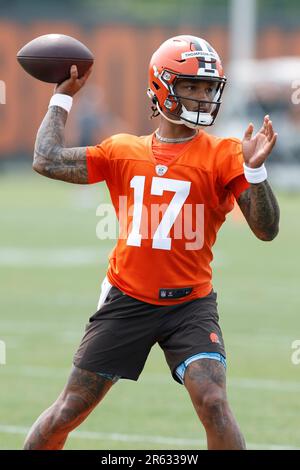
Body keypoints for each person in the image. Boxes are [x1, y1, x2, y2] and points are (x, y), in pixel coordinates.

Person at [24, 35, 280, 450]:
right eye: (191, 87)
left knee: (213, 401)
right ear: (162, 88)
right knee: (68, 409)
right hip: (127, 299)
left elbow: (266, 230)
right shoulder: (122, 150)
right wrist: (62, 98)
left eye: (207, 88)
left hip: (190, 305)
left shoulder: (227, 154)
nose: (202, 97)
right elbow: (45, 158)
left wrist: (255, 173)